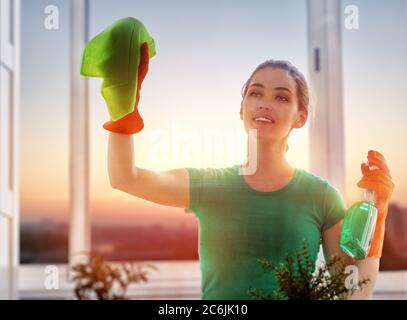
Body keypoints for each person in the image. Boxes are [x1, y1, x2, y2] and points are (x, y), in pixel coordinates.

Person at [108, 57, 394, 300]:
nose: (264, 104)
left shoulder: (321, 196)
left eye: (281, 97)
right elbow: (125, 177)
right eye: (255, 93)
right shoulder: (210, 186)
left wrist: (376, 217)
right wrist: (122, 105)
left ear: (301, 116)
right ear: (242, 108)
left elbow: (350, 290)